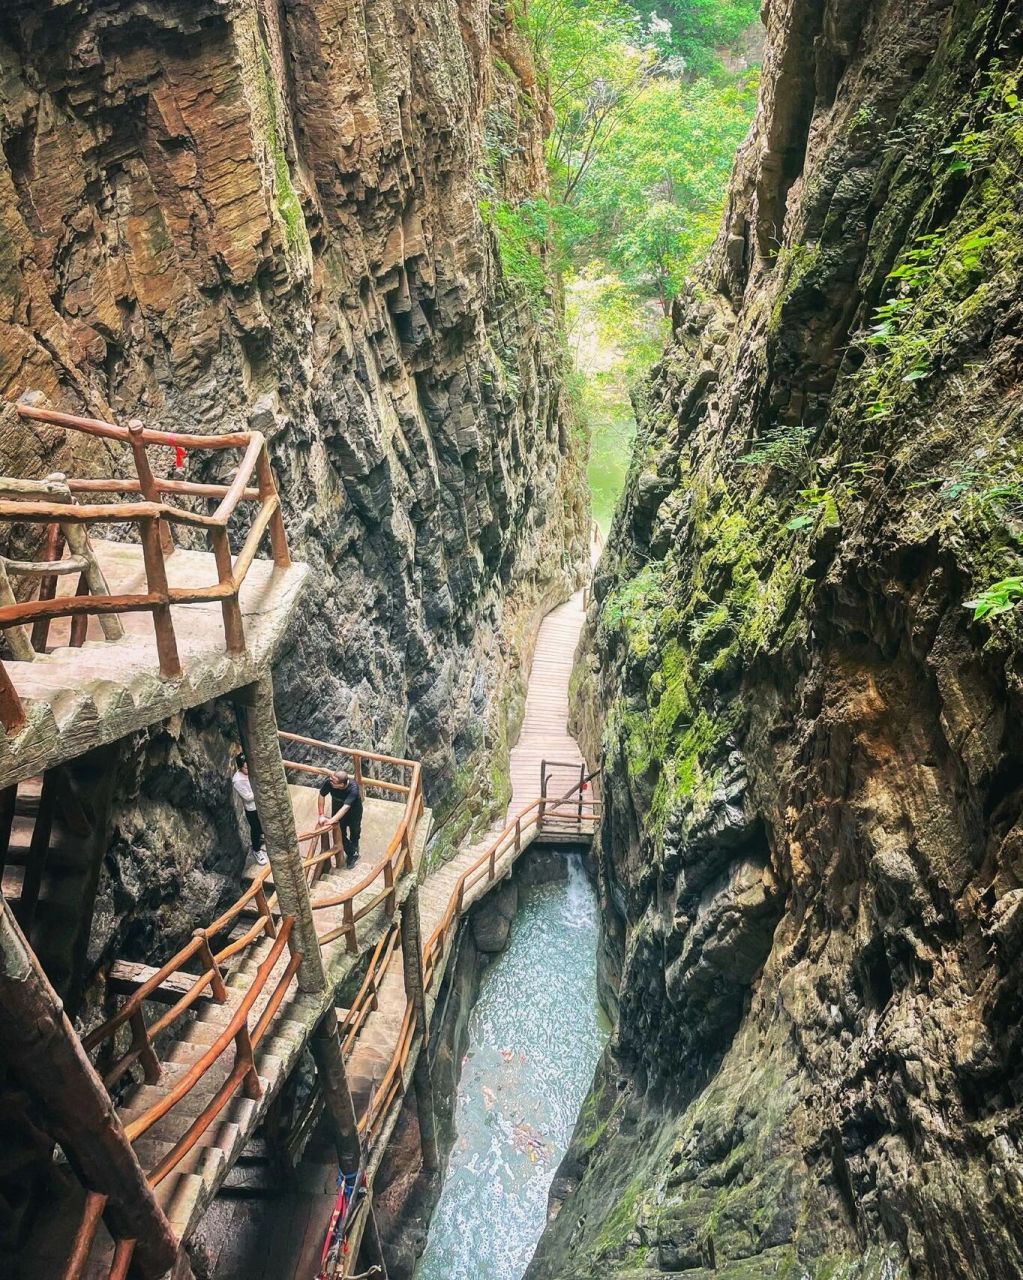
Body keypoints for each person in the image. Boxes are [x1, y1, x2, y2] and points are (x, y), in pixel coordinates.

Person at [317, 768, 362, 868]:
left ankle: (354, 846)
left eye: (334, 782)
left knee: (355, 830)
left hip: (353, 810)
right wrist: (321, 815)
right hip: (337, 806)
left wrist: (331, 820)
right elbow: (321, 795)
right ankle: (352, 853)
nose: (331, 782)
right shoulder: (330, 782)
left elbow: (345, 808)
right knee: (339, 832)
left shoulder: (353, 789)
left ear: (341, 785)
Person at [232, 753, 268, 866]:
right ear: (240, 767)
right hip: (252, 809)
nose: (249, 769)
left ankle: (261, 839)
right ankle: (256, 850)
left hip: (261, 804)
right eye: (246, 767)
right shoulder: (237, 780)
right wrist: (259, 790)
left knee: (263, 824)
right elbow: (247, 797)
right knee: (255, 828)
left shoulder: (251, 771)